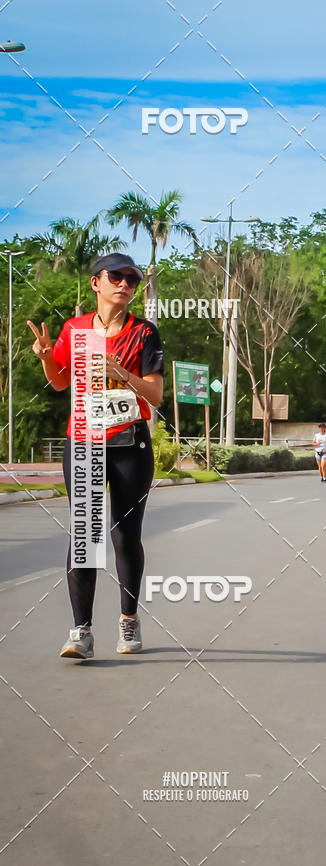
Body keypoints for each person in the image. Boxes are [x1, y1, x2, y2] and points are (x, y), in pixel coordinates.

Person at [27, 253, 164, 660]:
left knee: (125, 534)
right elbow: (59, 382)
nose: (125, 284)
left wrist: (120, 372)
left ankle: (128, 619)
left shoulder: (144, 333)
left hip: (129, 443)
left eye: (132, 280)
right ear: (96, 283)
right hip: (84, 441)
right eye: (116, 277)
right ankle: (81, 632)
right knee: (84, 535)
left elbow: (155, 395)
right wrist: (46, 356)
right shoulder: (76, 329)